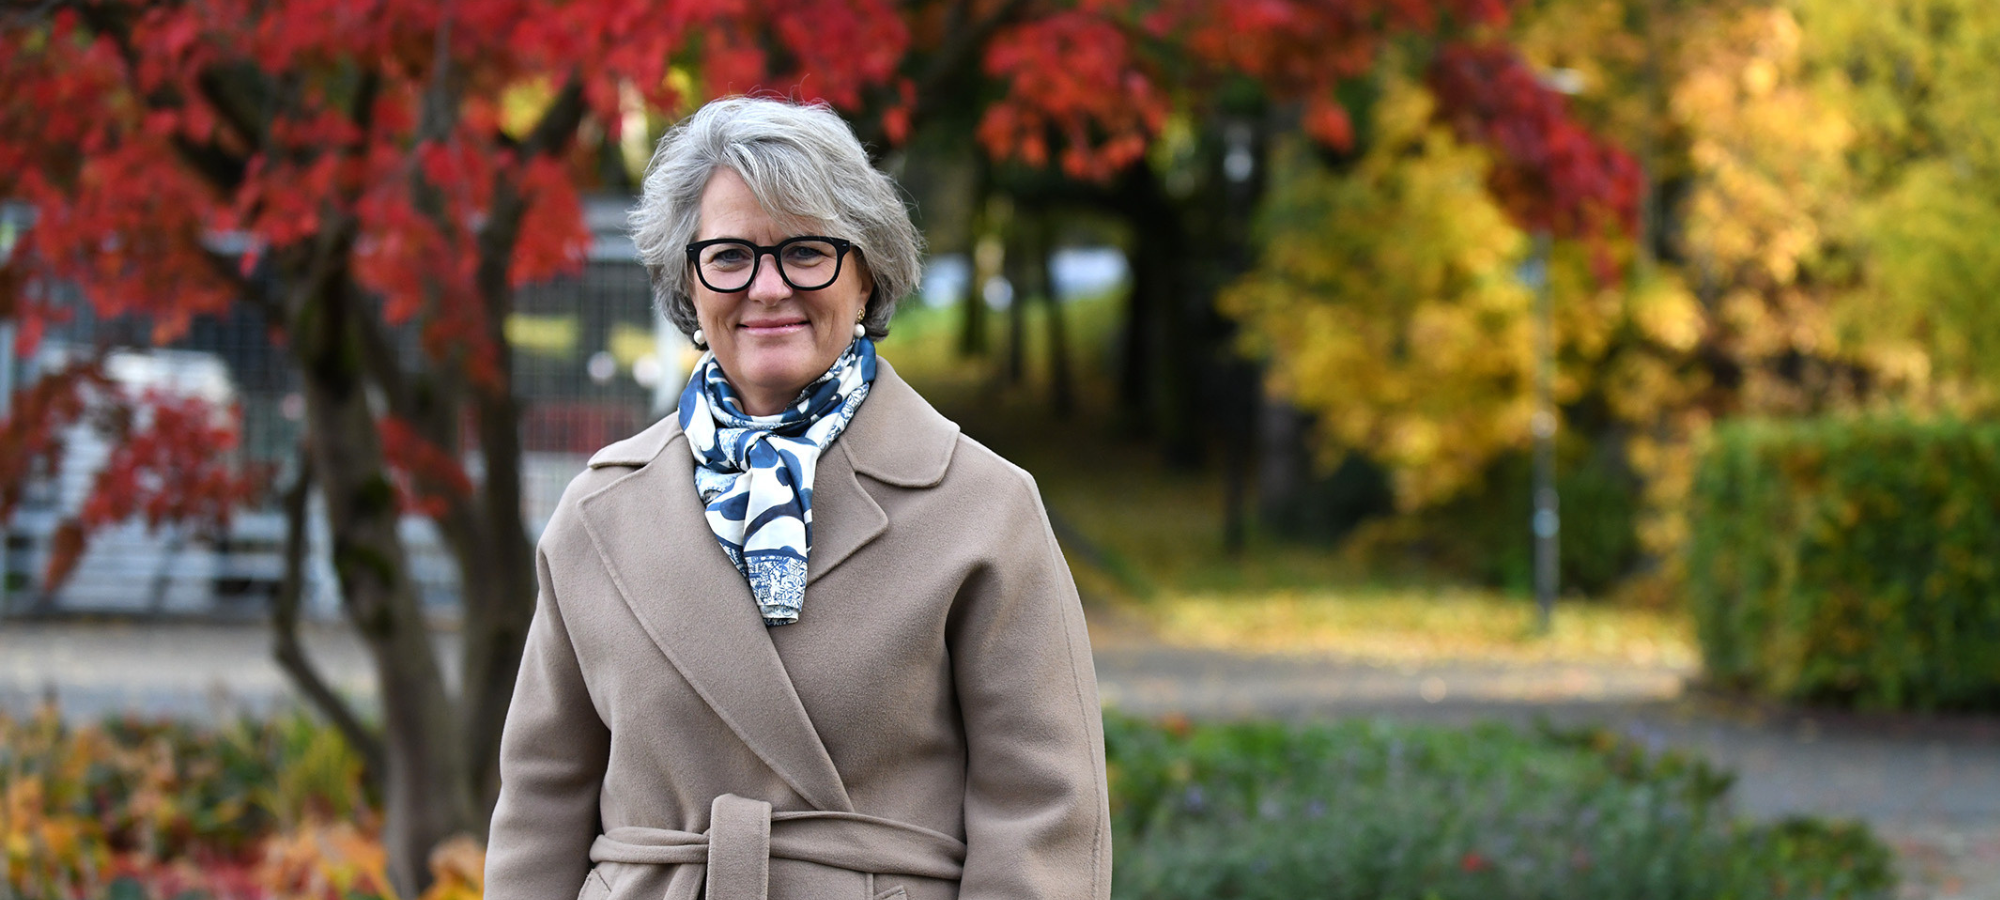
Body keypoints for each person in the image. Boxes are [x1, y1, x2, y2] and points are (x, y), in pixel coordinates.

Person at [483, 96, 1111, 900]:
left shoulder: (983, 509)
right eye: (731, 256)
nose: (768, 287)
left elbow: (1045, 823)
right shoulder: (599, 515)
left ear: (867, 274)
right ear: (688, 280)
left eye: (806, 253)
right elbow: (541, 802)